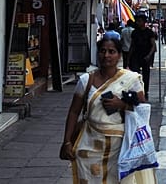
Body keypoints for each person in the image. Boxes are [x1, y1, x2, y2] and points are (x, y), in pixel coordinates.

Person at [60, 35, 155, 183]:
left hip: (120, 147)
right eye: (103, 51)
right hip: (90, 143)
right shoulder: (86, 80)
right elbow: (74, 112)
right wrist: (67, 141)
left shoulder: (130, 80)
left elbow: (142, 110)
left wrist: (122, 105)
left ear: (119, 55)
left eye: (112, 51)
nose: (106, 55)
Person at [129, 14, 157, 94]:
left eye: (139, 21)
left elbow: (153, 45)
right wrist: (128, 58)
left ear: (144, 22)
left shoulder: (149, 32)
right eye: (137, 21)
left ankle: (145, 90)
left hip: (145, 56)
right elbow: (132, 45)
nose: (138, 23)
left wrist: (149, 56)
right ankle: (138, 90)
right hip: (135, 56)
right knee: (135, 75)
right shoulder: (134, 32)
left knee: (146, 75)